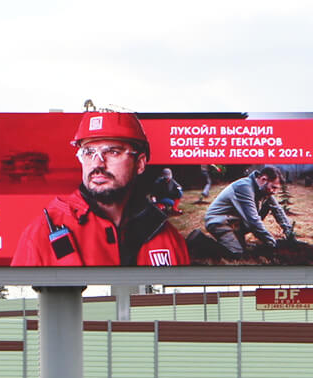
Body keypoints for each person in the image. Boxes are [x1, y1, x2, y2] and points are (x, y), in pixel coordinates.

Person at [10, 112, 189, 267]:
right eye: (88, 153)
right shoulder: (42, 233)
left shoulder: (167, 237)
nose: (97, 163)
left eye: (112, 152)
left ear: (140, 164)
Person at [203, 165, 294, 257]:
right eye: (273, 187)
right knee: (237, 254)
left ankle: (234, 239)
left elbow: (277, 209)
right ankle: (199, 242)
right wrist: (271, 242)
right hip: (218, 222)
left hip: (233, 222)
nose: (275, 192)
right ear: (263, 179)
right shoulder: (244, 187)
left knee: (246, 249)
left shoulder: (263, 189)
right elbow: (253, 220)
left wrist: (289, 232)